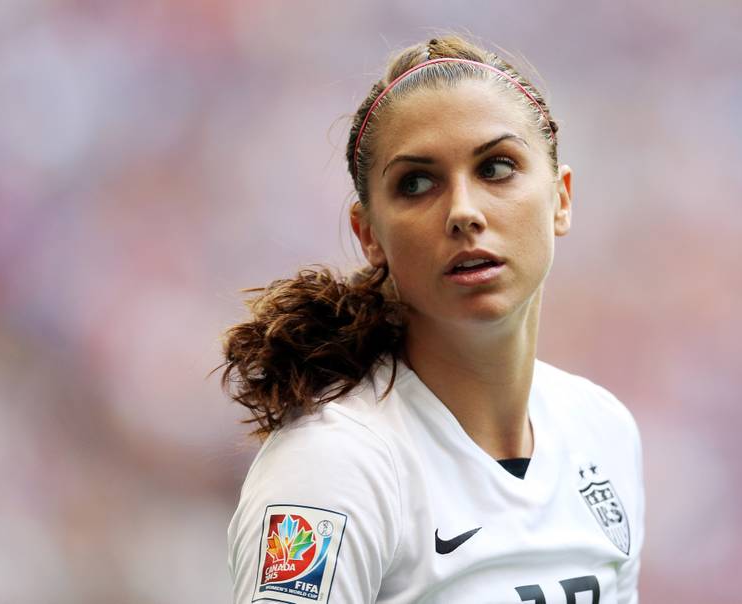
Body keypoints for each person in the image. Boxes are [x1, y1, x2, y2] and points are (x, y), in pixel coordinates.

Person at [219, 34, 644, 604]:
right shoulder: (328, 469)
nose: (464, 212)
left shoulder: (604, 430)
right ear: (369, 234)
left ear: (561, 199)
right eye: (416, 183)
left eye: (496, 167)